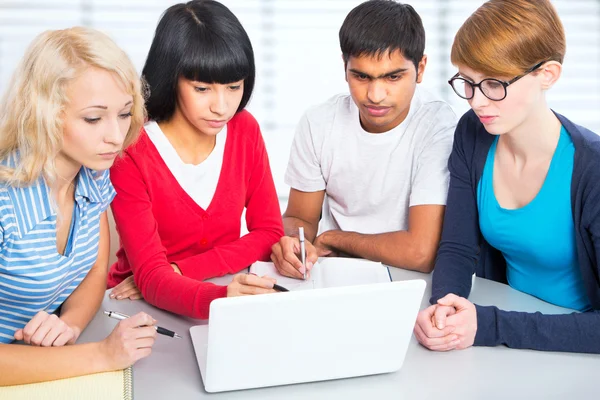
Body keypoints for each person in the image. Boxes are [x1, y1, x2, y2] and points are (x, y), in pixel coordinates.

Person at [414, 0, 600, 354]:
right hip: (509, 335)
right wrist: (444, 309)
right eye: (467, 82)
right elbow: (457, 247)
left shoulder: (592, 170)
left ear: (547, 74)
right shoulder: (473, 132)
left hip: (575, 347)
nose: (477, 102)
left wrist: (487, 324)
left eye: (494, 84)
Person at [107, 0, 284, 318]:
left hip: (224, 289)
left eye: (234, 87)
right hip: (133, 306)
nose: (222, 106)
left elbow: (269, 232)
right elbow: (149, 278)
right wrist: (217, 297)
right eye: (202, 88)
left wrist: (180, 269)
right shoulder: (130, 148)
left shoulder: (244, 130)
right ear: (171, 78)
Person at [0, 27, 157, 386]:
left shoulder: (92, 173)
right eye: (93, 118)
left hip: (45, 366)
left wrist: (68, 324)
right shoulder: (5, 205)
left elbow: (94, 268)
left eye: (124, 114)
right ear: (45, 113)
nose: (116, 137)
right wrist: (102, 354)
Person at [270, 0, 456, 278]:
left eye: (393, 77)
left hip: (410, 280)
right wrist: (290, 244)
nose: (375, 95)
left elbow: (421, 252)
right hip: (334, 273)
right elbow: (300, 218)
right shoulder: (319, 122)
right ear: (344, 67)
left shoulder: (438, 125)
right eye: (361, 76)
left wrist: (335, 239)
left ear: (421, 68)